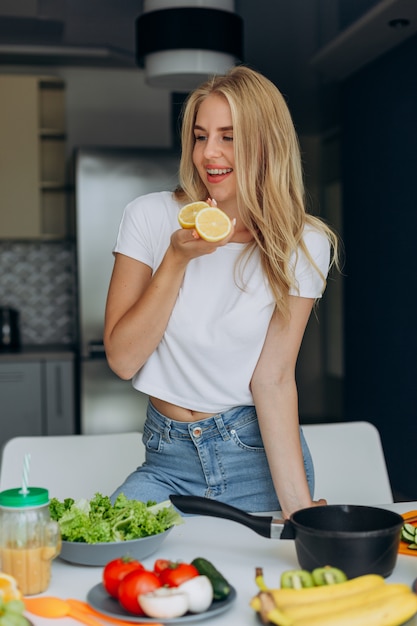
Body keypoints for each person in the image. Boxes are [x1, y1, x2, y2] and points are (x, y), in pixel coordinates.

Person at [104, 65, 339, 518]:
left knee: (263, 585)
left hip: (254, 457)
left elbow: (271, 379)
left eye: (228, 137)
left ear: (266, 145)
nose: (208, 153)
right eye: (200, 136)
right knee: (119, 564)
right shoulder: (149, 217)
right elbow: (123, 358)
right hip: (166, 461)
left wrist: (298, 507)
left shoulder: (305, 243)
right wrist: (176, 260)